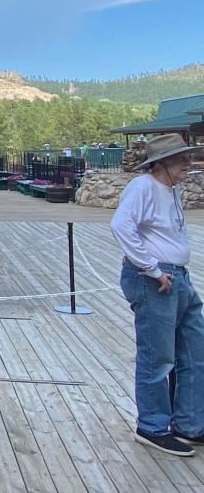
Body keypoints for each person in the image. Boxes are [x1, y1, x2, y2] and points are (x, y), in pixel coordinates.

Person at [111, 133, 204, 456]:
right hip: (155, 279)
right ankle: (152, 426)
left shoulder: (171, 189)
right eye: (181, 158)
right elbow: (121, 225)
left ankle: (190, 424)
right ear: (162, 163)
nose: (188, 163)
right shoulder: (143, 187)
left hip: (178, 276)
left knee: (193, 351)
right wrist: (152, 269)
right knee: (158, 356)